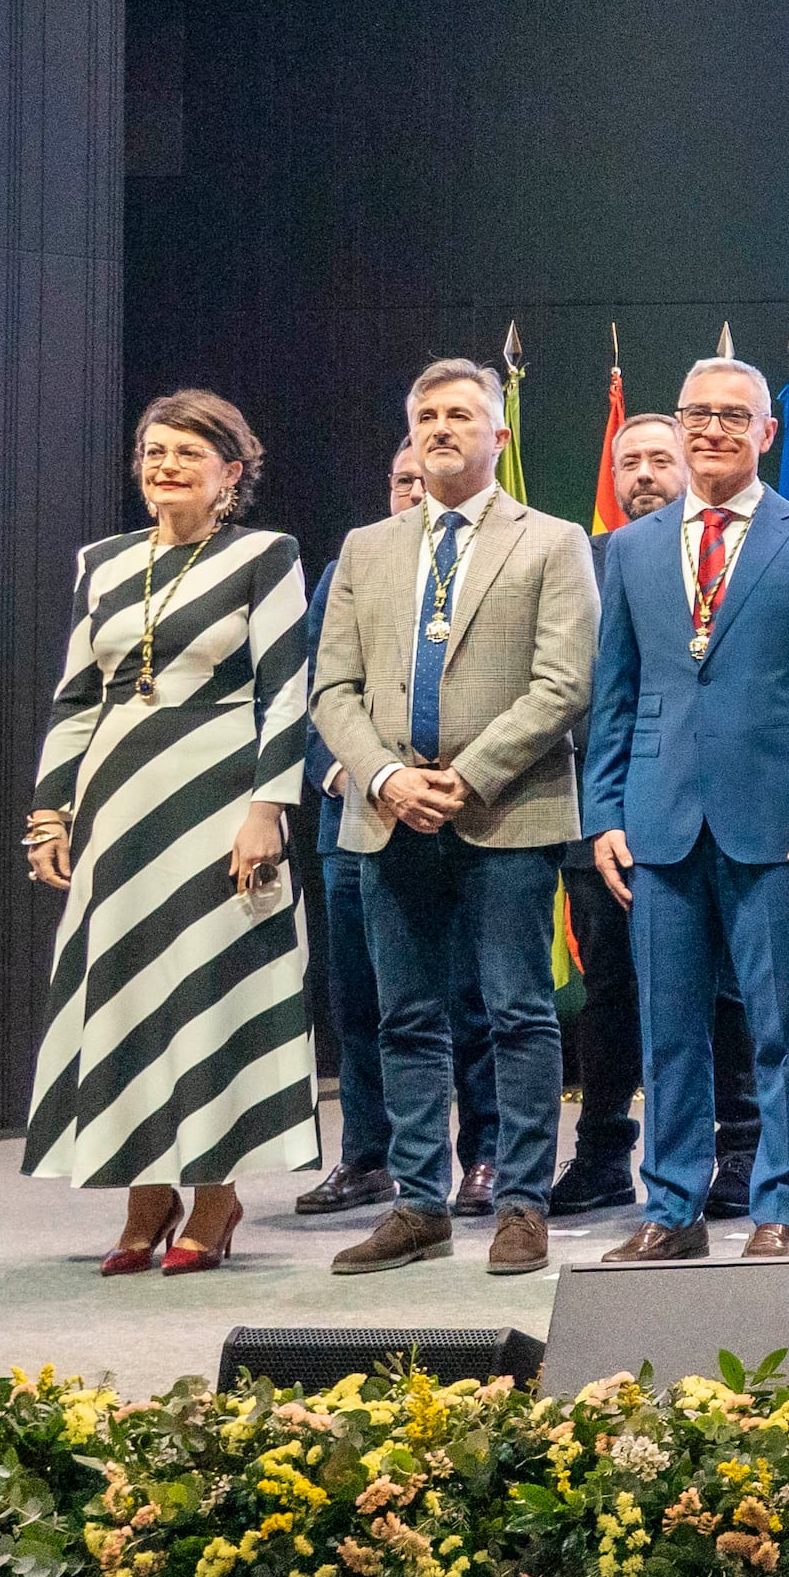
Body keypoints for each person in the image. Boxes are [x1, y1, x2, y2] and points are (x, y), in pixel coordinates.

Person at [310, 356, 598, 1276]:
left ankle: (520, 1202)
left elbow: (563, 685)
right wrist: (389, 776)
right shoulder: (367, 548)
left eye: (461, 414)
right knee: (405, 1018)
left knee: (517, 1011)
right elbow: (333, 689)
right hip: (388, 816)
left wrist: (464, 777)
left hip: (507, 810)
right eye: (427, 414)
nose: (441, 427)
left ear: (497, 437)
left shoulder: (552, 542)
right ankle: (418, 1202)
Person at [21, 389, 320, 1269]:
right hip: (119, 810)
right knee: (125, 990)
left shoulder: (266, 556)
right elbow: (77, 699)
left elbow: (287, 691)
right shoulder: (103, 562)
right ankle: (145, 1196)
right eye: (154, 450)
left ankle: (217, 1200)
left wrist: (267, 808)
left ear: (231, 472)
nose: (165, 465)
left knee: (208, 989)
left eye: (188, 452)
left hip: (220, 799)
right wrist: (50, 811)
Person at [579, 356, 789, 1261]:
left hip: (776, 823)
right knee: (667, 1033)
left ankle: (780, 1206)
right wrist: (604, 814)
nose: (710, 430)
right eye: (696, 413)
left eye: (732, 417)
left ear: (765, 432)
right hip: (657, 822)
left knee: (781, 1030)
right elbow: (614, 695)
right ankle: (671, 1210)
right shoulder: (629, 546)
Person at [296, 437, 497, 1221]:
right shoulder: (351, 564)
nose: (414, 491)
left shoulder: (492, 559)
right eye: (400, 479)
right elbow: (318, 687)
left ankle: (484, 1155)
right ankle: (368, 1158)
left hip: (462, 810)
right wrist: (354, 773)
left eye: (426, 479)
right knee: (363, 998)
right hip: (360, 812)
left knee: (473, 997)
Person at [561, 408, 742, 1219]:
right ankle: (604, 1153)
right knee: (610, 994)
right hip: (610, 813)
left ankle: (739, 1149)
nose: (641, 474)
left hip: (718, 807)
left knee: (729, 991)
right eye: (627, 460)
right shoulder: (590, 558)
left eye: (657, 459)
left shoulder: (730, 547)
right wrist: (602, 809)